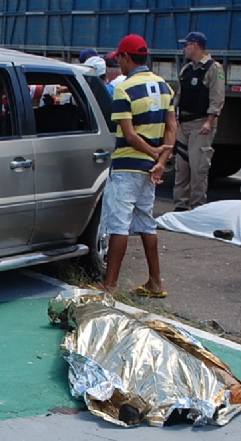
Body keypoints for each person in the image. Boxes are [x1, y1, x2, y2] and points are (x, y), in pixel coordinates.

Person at [93, 34, 177, 296]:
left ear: (127, 57)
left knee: (118, 225)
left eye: (119, 58)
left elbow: (128, 134)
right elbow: (172, 127)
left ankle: (109, 285)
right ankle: (155, 282)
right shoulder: (164, 87)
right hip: (149, 170)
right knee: (146, 222)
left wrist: (150, 150)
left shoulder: (124, 89)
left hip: (126, 166)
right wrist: (160, 160)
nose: (118, 63)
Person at [173, 31, 225, 211]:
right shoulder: (187, 69)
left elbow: (217, 97)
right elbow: (179, 94)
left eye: (186, 45)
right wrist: (174, 115)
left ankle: (197, 207)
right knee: (181, 169)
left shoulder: (213, 68)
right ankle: (180, 206)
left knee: (198, 169)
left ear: (195, 45)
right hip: (183, 123)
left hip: (200, 124)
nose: (184, 49)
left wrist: (210, 121)